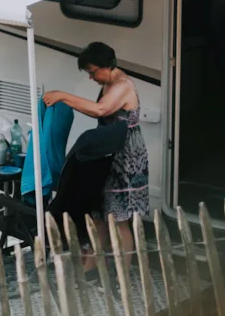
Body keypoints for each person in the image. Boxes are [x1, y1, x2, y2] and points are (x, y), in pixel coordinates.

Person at [42, 42, 149, 266]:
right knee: (98, 215)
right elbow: (97, 112)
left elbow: (101, 110)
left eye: (92, 72)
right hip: (104, 156)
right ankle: (93, 271)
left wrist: (62, 95)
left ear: (106, 66)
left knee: (119, 220)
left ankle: (123, 275)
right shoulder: (107, 83)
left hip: (125, 158)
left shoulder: (123, 85)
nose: (91, 78)